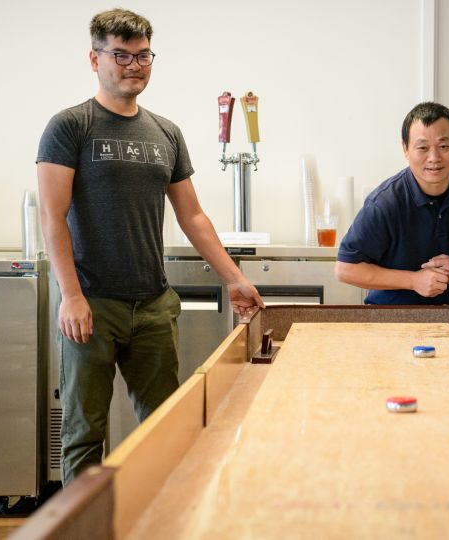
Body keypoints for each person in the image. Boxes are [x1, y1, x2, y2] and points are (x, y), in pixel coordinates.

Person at [36, 8, 265, 485]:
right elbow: (51, 215)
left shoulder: (166, 133)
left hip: (154, 306)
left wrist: (235, 279)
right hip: (92, 305)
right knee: (84, 435)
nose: (133, 65)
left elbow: (193, 215)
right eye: (120, 55)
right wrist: (72, 296)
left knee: (167, 426)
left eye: (143, 56)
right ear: (94, 58)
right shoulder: (70, 126)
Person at [335, 102, 449, 305]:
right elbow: (345, 269)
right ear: (405, 149)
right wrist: (414, 280)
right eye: (422, 148)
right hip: (389, 320)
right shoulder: (384, 203)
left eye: (443, 146)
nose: (434, 158)